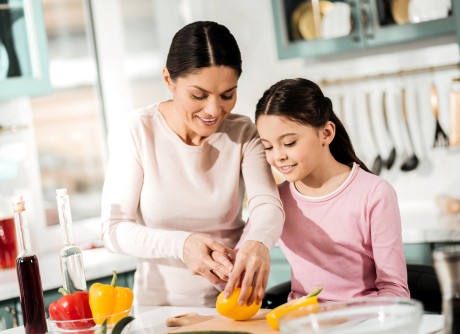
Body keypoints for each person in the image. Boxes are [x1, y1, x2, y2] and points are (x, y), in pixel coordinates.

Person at [100, 21, 284, 307]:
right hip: (160, 313)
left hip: (235, 306)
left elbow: (267, 203)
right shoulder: (138, 131)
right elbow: (113, 230)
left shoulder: (242, 132)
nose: (213, 110)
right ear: (168, 79)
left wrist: (258, 241)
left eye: (227, 95)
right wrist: (182, 245)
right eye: (198, 96)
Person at [254, 78, 409, 301]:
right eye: (267, 146)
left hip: (362, 325)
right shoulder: (274, 200)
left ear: (326, 133)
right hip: (301, 325)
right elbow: (236, 266)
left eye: (289, 143)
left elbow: (396, 292)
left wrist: (342, 314)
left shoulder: (375, 194)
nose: (277, 156)